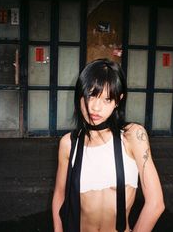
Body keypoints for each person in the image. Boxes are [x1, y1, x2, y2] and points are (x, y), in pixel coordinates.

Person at [52, 58, 165, 232]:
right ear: (80, 95)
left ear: (118, 100)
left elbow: (156, 203)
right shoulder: (69, 143)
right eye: (91, 95)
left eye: (106, 99)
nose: (96, 108)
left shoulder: (132, 136)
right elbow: (60, 196)